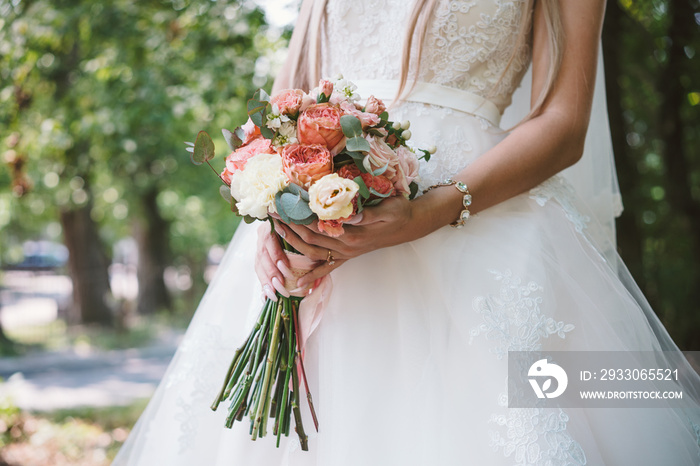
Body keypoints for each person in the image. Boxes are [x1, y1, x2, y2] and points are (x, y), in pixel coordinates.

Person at [114, 0, 700, 464]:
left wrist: (431, 211)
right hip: (318, 225)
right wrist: (273, 208)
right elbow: (286, 101)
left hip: (484, 218)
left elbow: (564, 124)